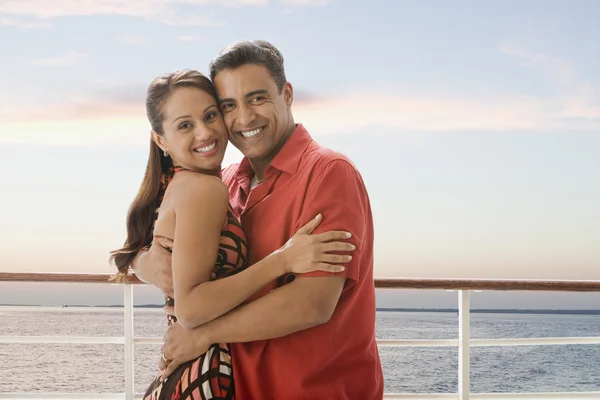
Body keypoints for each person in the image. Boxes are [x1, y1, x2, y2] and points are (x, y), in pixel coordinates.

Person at [135, 40, 384, 399]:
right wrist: (145, 262)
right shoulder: (225, 180)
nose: (244, 118)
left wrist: (204, 334)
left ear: (286, 94)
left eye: (257, 98)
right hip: (245, 388)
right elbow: (145, 243)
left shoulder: (330, 172)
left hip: (316, 390)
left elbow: (311, 303)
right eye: (228, 106)